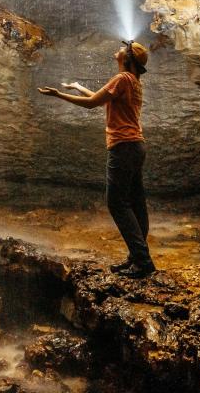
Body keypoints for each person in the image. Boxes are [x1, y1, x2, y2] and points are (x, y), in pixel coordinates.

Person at [38, 41, 156, 278]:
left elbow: (93, 104)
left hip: (123, 147)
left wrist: (59, 94)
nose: (120, 48)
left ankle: (142, 262)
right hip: (135, 146)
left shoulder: (122, 78)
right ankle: (137, 257)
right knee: (135, 203)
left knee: (117, 203)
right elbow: (100, 98)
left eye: (125, 48)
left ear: (128, 59)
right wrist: (78, 87)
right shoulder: (132, 81)